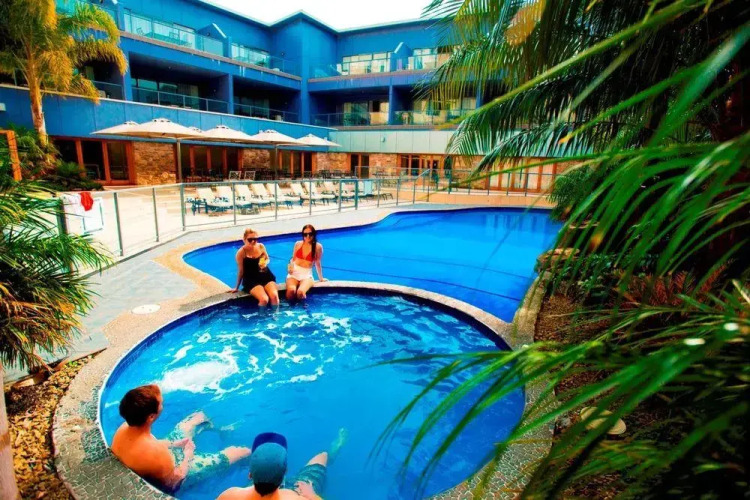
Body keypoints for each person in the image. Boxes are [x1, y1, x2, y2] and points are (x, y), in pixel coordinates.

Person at [111, 384, 251, 493]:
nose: (162, 405)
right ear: (151, 417)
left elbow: (151, 444)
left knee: (198, 418)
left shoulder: (125, 428)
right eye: (161, 403)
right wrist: (188, 455)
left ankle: (220, 429)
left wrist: (174, 443)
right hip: (181, 470)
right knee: (241, 451)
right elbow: (175, 480)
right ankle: (250, 467)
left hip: (164, 457)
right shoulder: (157, 454)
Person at [217, 430, 347, 500]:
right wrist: (312, 496)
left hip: (252, 494)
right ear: (285, 473)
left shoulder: (230, 495)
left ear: (250, 475)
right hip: (299, 489)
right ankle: (334, 450)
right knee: (322, 456)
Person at [230, 228, 280, 306]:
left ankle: (276, 314)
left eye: (255, 239)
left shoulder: (261, 246)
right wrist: (236, 287)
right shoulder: (241, 253)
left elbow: (267, 258)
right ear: (244, 240)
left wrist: (265, 263)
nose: (253, 241)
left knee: (274, 296)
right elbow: (241, 271)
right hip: (251, 279)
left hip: (266, 275)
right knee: (264, 299)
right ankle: (262, 314)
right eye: (250, 240)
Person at [286, 225, 327, 301]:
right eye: (305, 234)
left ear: (314, 234)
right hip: (294, 273)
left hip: (306, 275)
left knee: (300, 292)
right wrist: (289, 268)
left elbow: (317, 263)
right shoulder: (298, 244)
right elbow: (292, 259)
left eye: (310, 234)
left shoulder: (318, 247)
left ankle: (303, 307)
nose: (308, 236)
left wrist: (321, 278)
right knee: (291, 291)